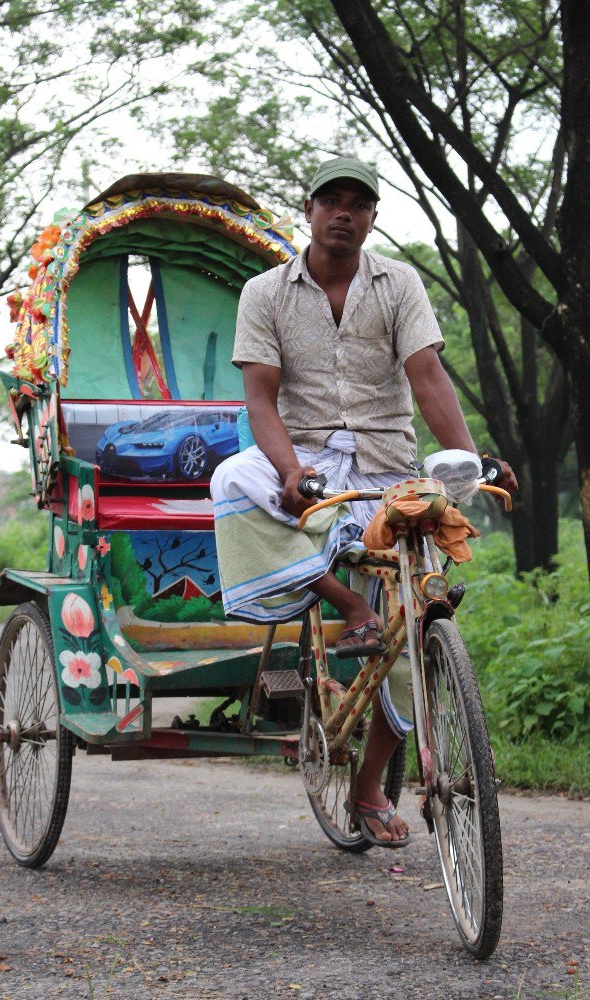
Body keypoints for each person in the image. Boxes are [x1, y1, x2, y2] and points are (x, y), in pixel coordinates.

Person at [211, 156, 517, 847]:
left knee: (414, 627)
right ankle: (346, 606)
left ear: (373, 217)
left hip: (385, 466)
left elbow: (428, 375)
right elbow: (260, 396)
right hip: (309, 458)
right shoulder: (265, 292)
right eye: (332, 201)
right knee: (230, 480)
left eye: (359, 203)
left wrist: (470, 458)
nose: (344, 213)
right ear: (310, 210)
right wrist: (290, 471)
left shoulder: (398, 283)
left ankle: (369, 784)